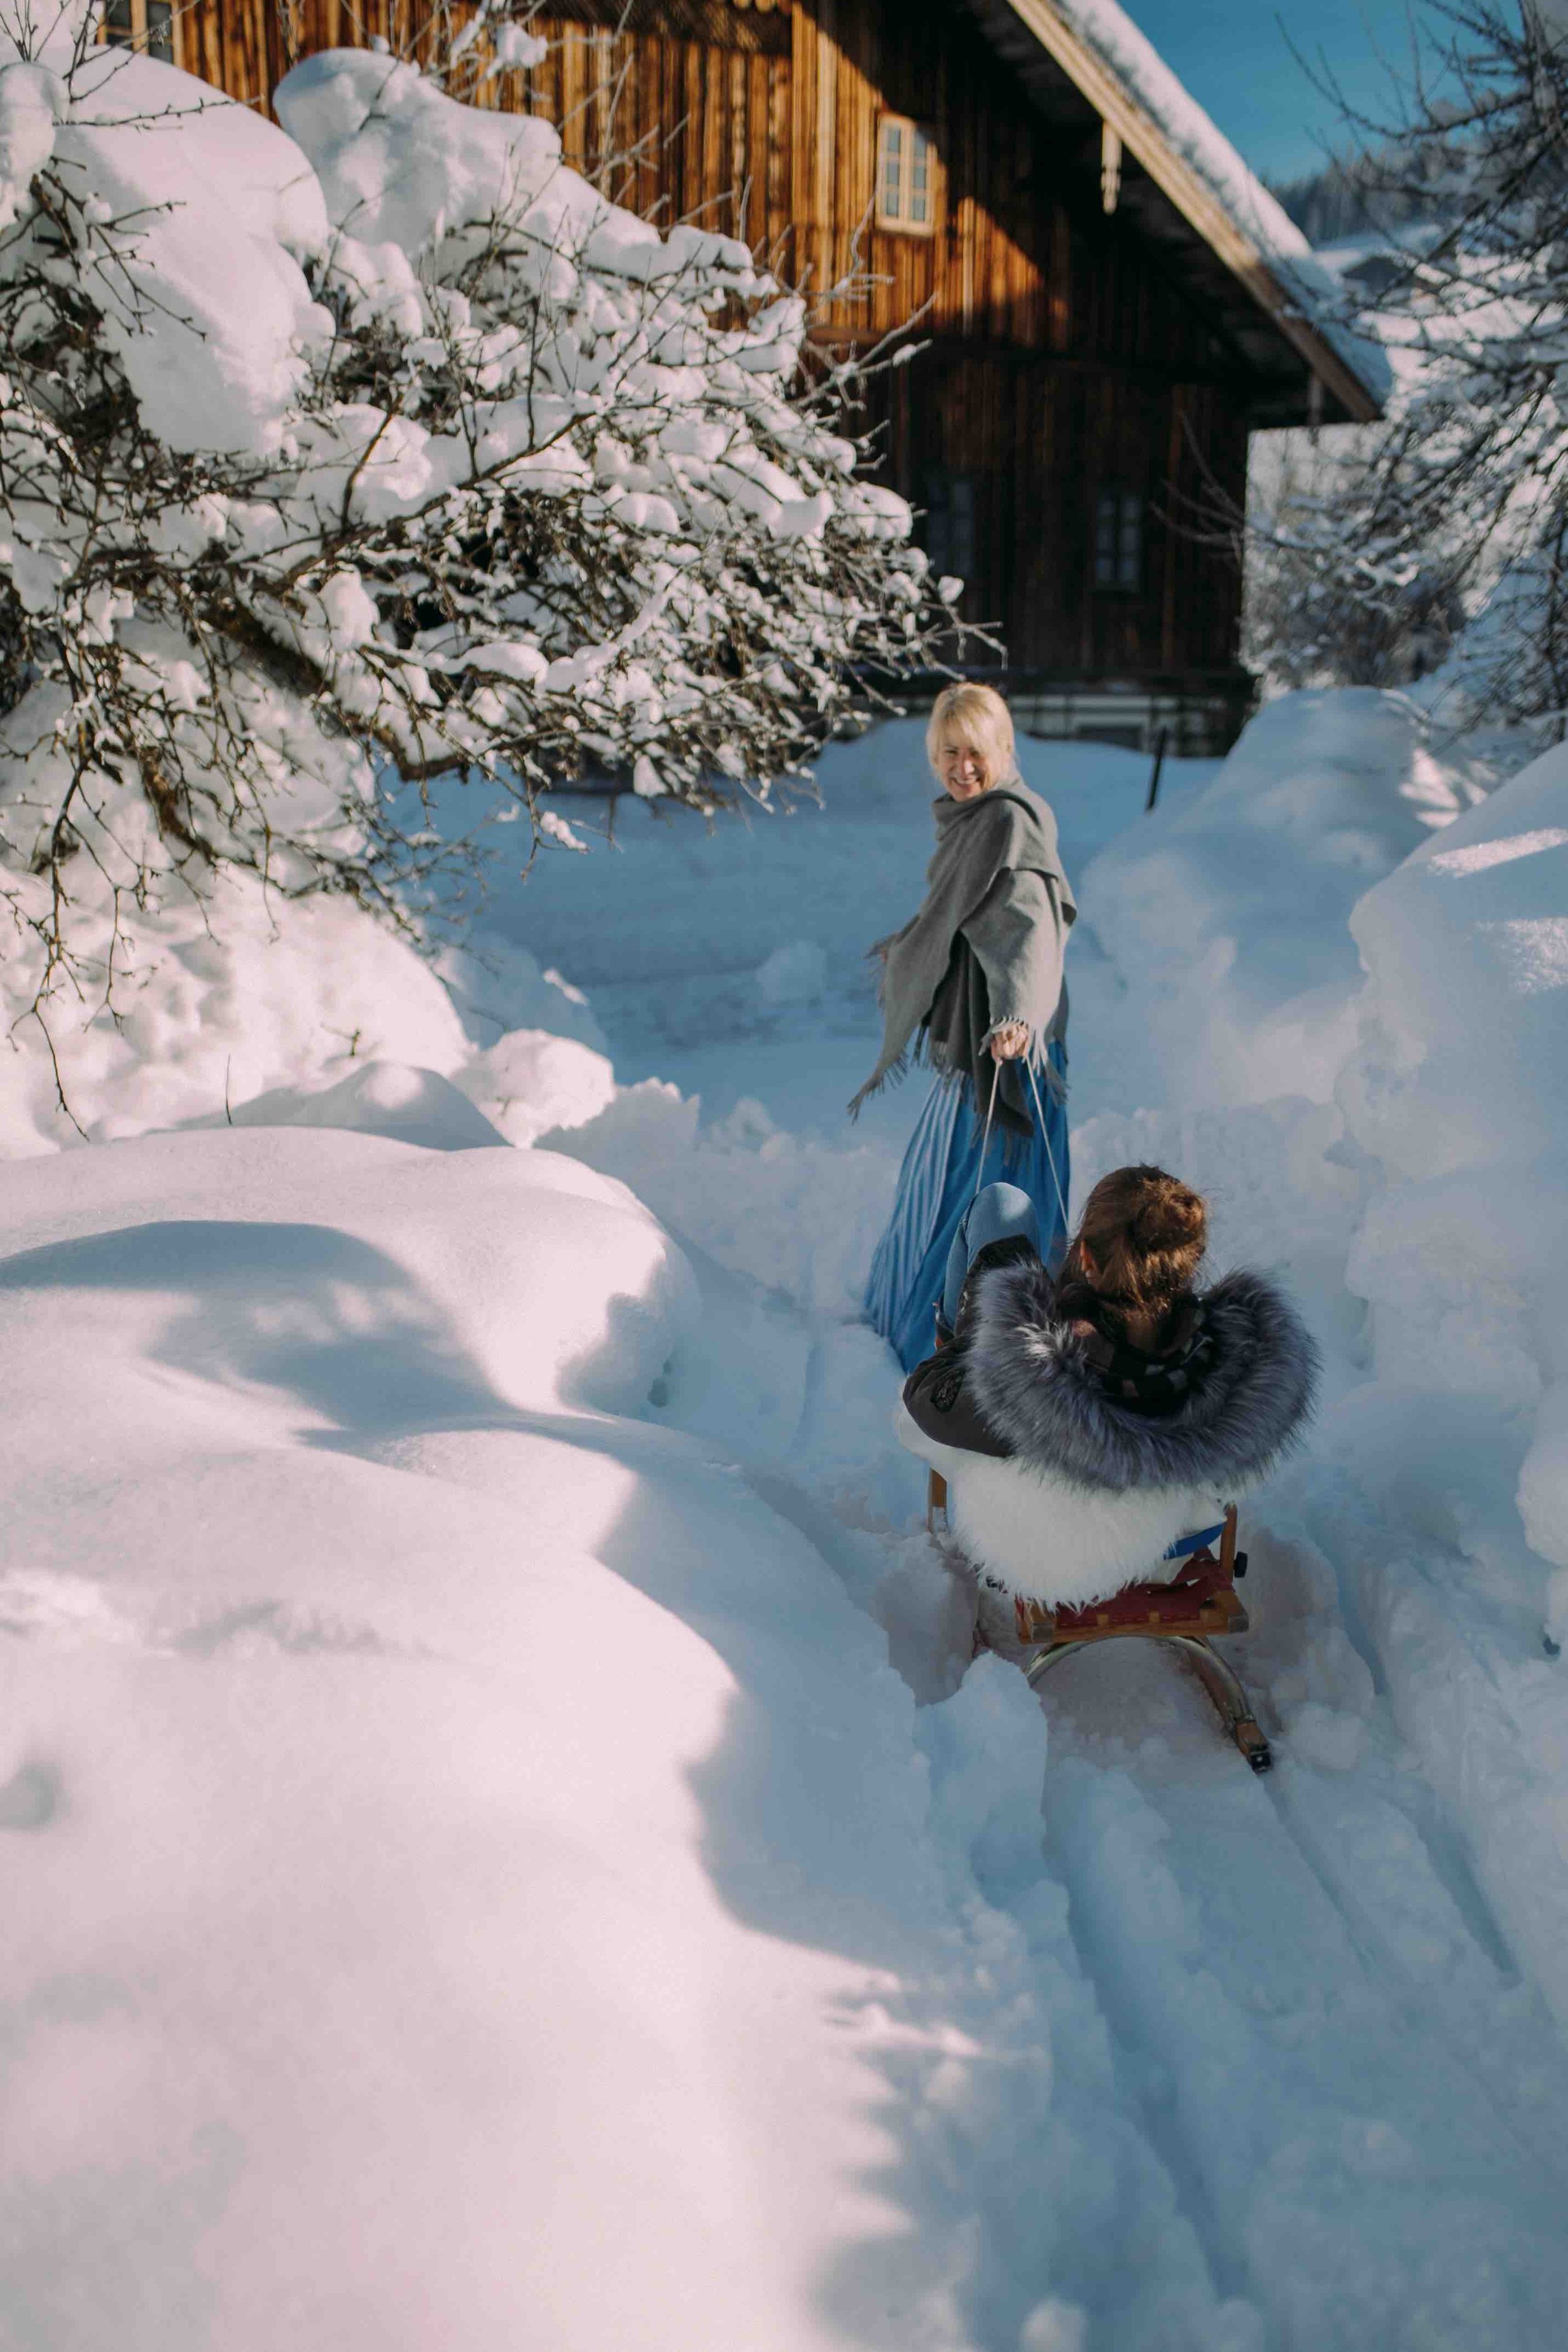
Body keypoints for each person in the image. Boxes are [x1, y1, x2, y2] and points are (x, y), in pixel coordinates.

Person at [897, 1165, 1318, 1655]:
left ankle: (959, 1330)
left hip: (1051, 1558)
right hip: (1170, 1551)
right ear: (1190, 1260)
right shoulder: (1240, 1365)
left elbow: (925, 1401)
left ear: (1086, 1261)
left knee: (1002, 1208)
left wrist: (981, 1345)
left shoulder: (1031, 1383)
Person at [856, 682, 1074, 1372]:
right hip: (976, 1047)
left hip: (1008, 1048)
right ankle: (932, 1330)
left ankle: (986, 1351)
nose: (962, 767)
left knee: (988, 1201)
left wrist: (1017, 1017)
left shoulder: (1011, 821)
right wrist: (913, 944)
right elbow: (958, 919)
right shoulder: (969, 820)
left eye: (974, 751)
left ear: (1002, 748)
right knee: (942, 1191)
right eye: (948, 752)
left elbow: (1031, 931)